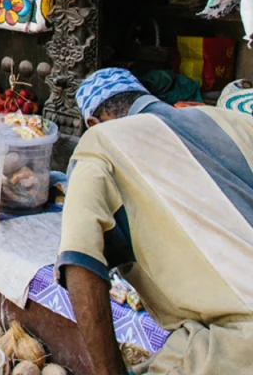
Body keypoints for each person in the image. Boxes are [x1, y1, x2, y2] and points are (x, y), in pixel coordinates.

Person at [58, 67, 253, 375]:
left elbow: (80, 261)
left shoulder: (100, 141)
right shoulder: (233, 120)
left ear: (94, 122)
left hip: (240, 342)